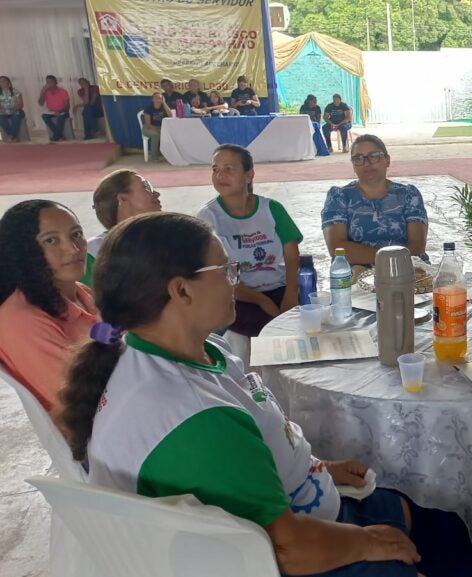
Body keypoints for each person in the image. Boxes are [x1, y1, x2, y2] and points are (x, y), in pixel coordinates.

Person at [57, 212, 421, 577]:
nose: (237, 279)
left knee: (416, 515)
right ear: (181, 289)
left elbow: (256, 440)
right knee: (436, 546)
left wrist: (315, 466)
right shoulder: (194, 415)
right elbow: (289, 550)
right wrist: (369, 542)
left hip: (297, 505)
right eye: (226, 270)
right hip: (280, 555)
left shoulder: (161, 352)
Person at [0, 200, 99, 412]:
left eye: (76, 234)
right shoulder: (21, 321)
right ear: (24, 252)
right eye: (51, 241)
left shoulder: (83, 293)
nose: (73, 249)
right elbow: (81, 401)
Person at [197, 144, 302, 337]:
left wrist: (291, 294)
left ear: (249, 175)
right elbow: (217, 274)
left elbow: (292, 255)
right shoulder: (208, 217)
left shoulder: (272, 208)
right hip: (239, 296)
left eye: (228, 169)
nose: (220, 175)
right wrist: (262, 300)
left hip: (281, 287)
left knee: (308, 321)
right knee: (265, 329)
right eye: (215, 169)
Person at [322, 135, 428, 266]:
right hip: (355, 277)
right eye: (358, 158)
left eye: (374, 156)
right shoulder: (339, 197)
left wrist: (389, 265)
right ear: (353, 165)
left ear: (387, 160)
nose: (366, 163)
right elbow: (337, 249)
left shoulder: (409, 195)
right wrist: (389, 259)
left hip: (405, 271)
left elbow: (417, 247)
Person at [82, 169, 162, 286]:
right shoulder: (95, 251)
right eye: (146, 187)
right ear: (123, 199)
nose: (156, 193)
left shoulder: (167, 240)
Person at [38, 75, 70, 142]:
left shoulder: (63, 91)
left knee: (60, 118)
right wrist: (42, 92)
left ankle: (55, 137)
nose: (49, 84)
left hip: (63, 111)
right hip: (51, 111)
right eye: (47, 82)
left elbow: (67, 106)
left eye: (51, 82)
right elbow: (40, 103)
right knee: (44, 116)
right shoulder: (46, 92)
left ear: (56, 82)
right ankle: (59, 136)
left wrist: (60, 111)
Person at [142, 92, 172, 162]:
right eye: (156, 98)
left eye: (160, 98)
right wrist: (159, 130)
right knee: (156, 135)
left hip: (160, 127)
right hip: (148, 128)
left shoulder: (163, 107)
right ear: (153, 99)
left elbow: (171, 116)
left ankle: (170, 155)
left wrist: (164, 103)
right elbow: (148, 125)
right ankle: (154, 157)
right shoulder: (148, 108)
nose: (158, 100)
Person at [0, 75, 25, 142]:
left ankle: (11, 136)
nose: (1, 83)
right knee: (1, 118)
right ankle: (13, 136)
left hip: (16, 111)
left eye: (3, 81)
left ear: (8, 82)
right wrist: (2, 110)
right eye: (0, 82)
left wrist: (14, 109)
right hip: (4, 112)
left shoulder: (15, 91)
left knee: (16, 116)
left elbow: (21, 105)